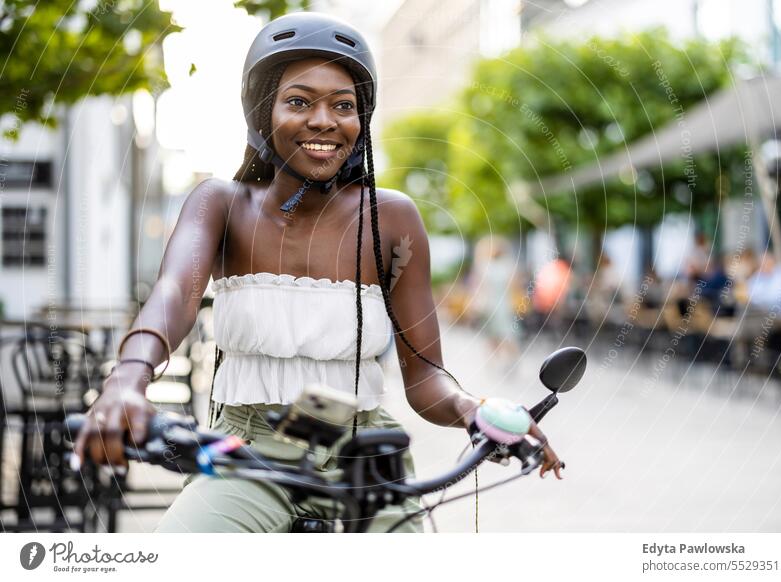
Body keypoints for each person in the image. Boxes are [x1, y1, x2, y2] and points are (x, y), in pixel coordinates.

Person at [72, 12, 563, 533]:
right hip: (248, 455)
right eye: (300, 101)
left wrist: (474, 407)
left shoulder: (392, 218)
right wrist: (126, 381)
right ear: (264, 114)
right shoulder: (221, 203)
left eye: (344, 106)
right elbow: (174, 293)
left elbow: (424, 377)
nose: (324, 120)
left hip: (366, 458)